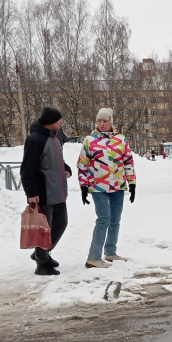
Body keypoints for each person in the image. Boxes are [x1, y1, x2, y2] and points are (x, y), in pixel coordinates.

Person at [77, 108, 136, 269]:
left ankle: (110, 252)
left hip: (117, 185)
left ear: (111, 122)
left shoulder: (121, 140)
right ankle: (93, 257)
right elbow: (82, 164)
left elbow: (128, 162)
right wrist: (83, 186)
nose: (101, 124)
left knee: (115, 220)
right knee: (103, 219)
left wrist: (132, 183)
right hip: (98, 186)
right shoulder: (90, 140)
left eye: (105, 121)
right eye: (99, 121)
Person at [20, 107, 72, 276]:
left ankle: (41, 254)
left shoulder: (55, 137)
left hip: (58, 190)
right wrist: (31, 192)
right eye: (59, 120)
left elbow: (56, 158)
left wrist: (66, 168)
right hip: (44, 192)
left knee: (61, 223)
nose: (61, 122)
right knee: (44, 228)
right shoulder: (35, 140)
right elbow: (28, 168)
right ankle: (42, 264)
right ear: (50, 122)